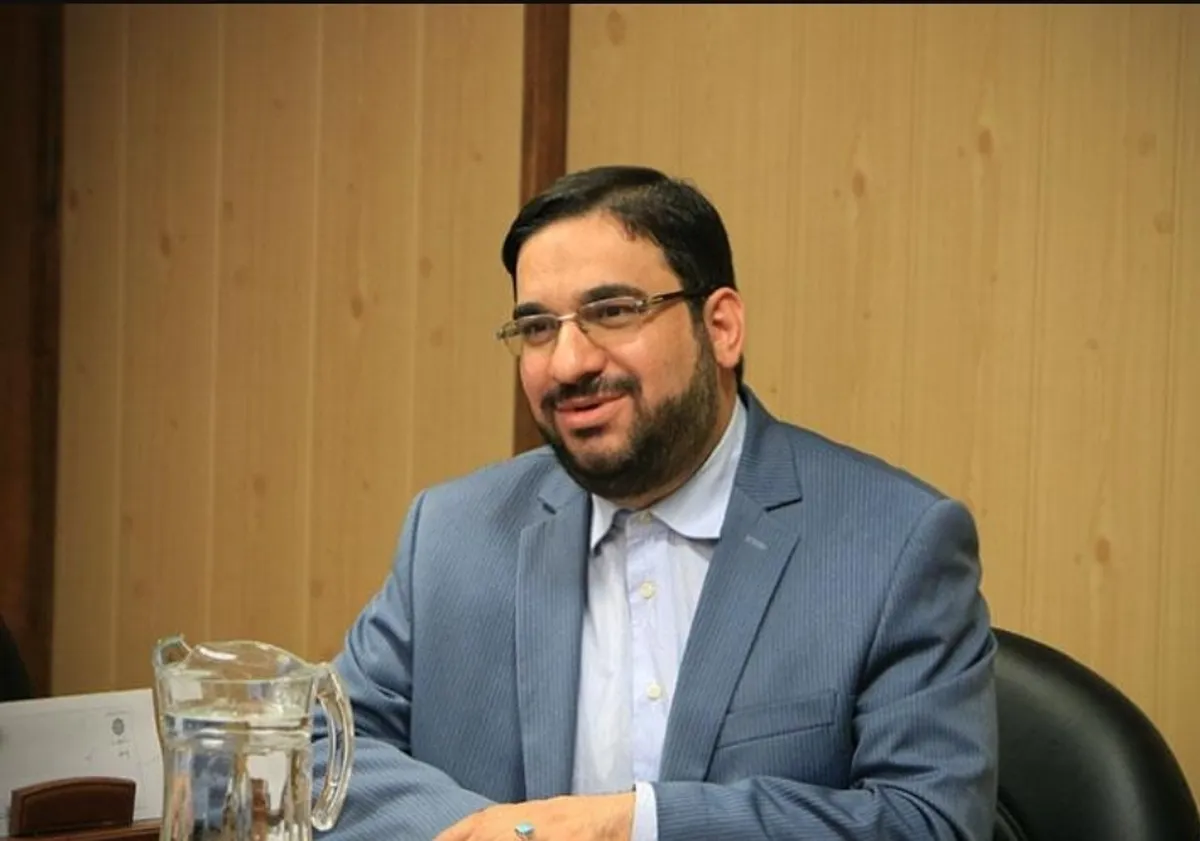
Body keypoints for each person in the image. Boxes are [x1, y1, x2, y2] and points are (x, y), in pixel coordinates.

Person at [314, 165, 998, 841]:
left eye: (612, 312)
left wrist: (633, 828)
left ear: (721, 327)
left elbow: (929, 821)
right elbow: (322, 750)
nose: (568, 363)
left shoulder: (893, 543)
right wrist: (507, 837)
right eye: (539, 328)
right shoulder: (453, 534)